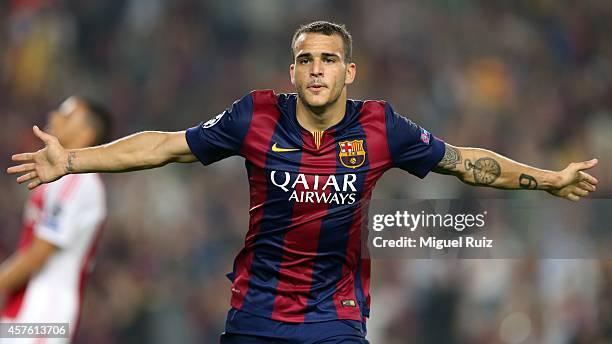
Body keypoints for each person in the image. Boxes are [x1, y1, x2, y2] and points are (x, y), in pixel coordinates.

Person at [6, 21, 598, 344]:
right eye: (307, 59)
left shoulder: (380, 127)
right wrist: (76, 160)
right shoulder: (255, 115)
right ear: (293, 70)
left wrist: (548, 179)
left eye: (329, 59)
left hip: (334, 322)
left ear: (349, 71)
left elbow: (466, 161)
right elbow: (164, 146)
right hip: (257, 317)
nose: (317, 69)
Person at [1, 96, 112, 343]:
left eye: (66, 114)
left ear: (86, 134)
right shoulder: (63, 179)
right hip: (26, 307)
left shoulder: (80, 181)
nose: (54, 116)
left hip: (45, 312)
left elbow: (41, 251)